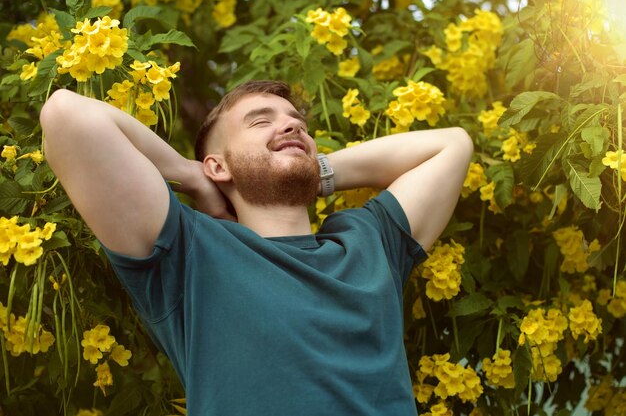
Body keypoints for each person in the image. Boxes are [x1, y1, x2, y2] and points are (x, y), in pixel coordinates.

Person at [40, 80, 473, 415]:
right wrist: (192, 176)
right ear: (218, 165)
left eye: (298, 123)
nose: (292, 125)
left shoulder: (368, 243)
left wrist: (310, 167)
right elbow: (66, 115)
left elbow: (452, 145)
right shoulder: (189, 252)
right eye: (261, 121)